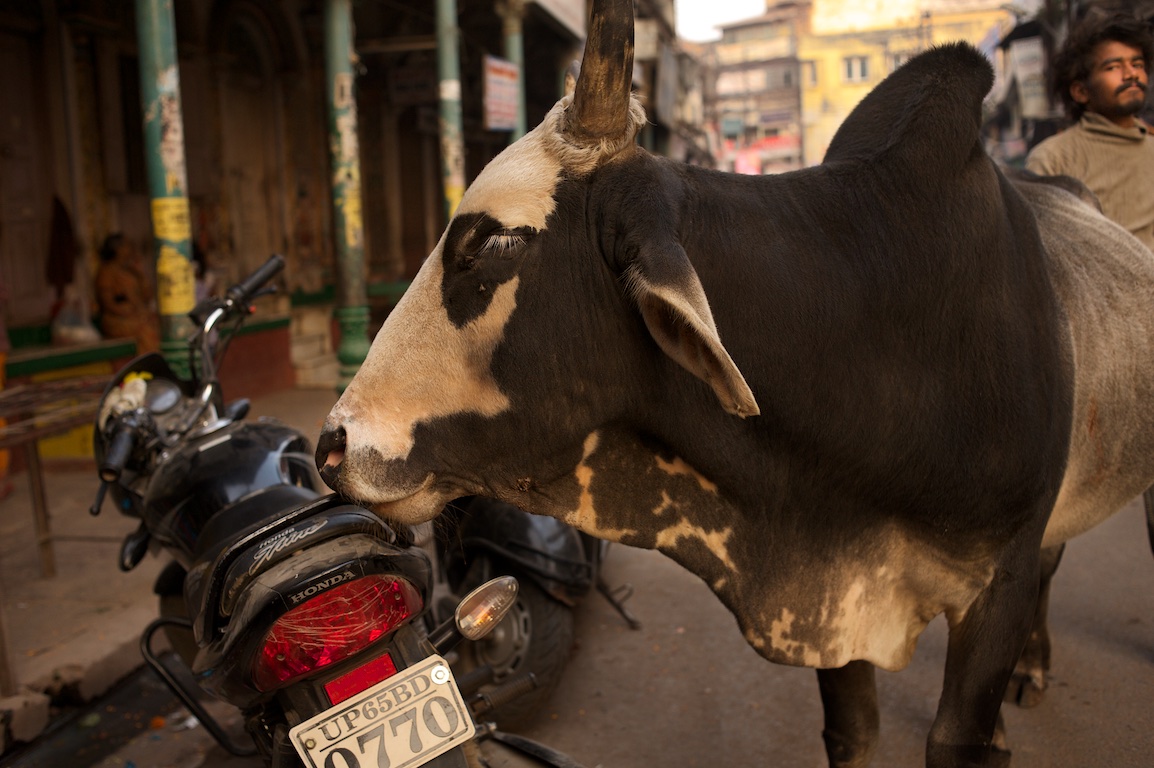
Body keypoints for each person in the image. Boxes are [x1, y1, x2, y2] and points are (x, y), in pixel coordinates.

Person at [1025, 13, 1154, 251]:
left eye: (1137, 64)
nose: (1131, 74)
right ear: (1080, 92)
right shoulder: (1054, 158)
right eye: (1113, 67)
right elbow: (1040, 248)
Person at [95, 234, 160, 354]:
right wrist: (130, 312)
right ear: (117, 249)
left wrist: (141, 273)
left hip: (137, 314)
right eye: (127, 245)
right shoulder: (106, 272)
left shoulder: (131, 270)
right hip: (117, 319)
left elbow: (147, 296)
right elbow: (108, 303)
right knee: (145, 330)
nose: (131, 248)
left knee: (158, 323)